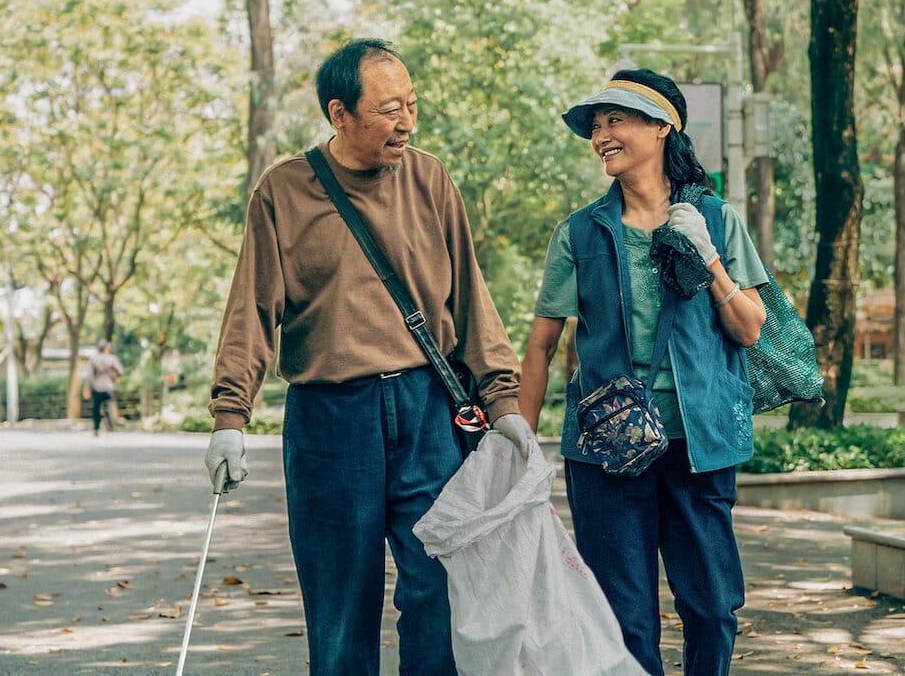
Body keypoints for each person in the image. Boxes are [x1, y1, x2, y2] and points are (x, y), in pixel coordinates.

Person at [204, 38, 537, 676]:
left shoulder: (430, 177)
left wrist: (504, 402)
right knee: (339, 604)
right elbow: (252, 308)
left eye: (412, 104)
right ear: (340, 113)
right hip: (331, 420)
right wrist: (229, 419)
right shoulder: (284, 191)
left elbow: (469, 296)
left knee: (439, 589)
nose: (407, 120)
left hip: (427, 414)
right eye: (389, 109)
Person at [519, 69, 769, 676]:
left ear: (662, 128)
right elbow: (540, 346)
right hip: (606, 448)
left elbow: (750, 327)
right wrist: (524, 447)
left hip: (698, 441)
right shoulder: (579, 232)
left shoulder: (715, 217)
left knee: (711, 607)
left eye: (616, 119)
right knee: (623, 615)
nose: (601, 134)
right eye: (596, 125)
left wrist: (708, 257)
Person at [88, 340, 123, 436]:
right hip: (108, 386)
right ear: (107, 348)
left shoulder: (93, 359)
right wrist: (115, 378)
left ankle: (96, 429)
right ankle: (110, 428)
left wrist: (88, 387)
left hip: (97, 387)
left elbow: (90, 375)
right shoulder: (112, 358)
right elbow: (120, 371)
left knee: (96, 408)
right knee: (108, 407)